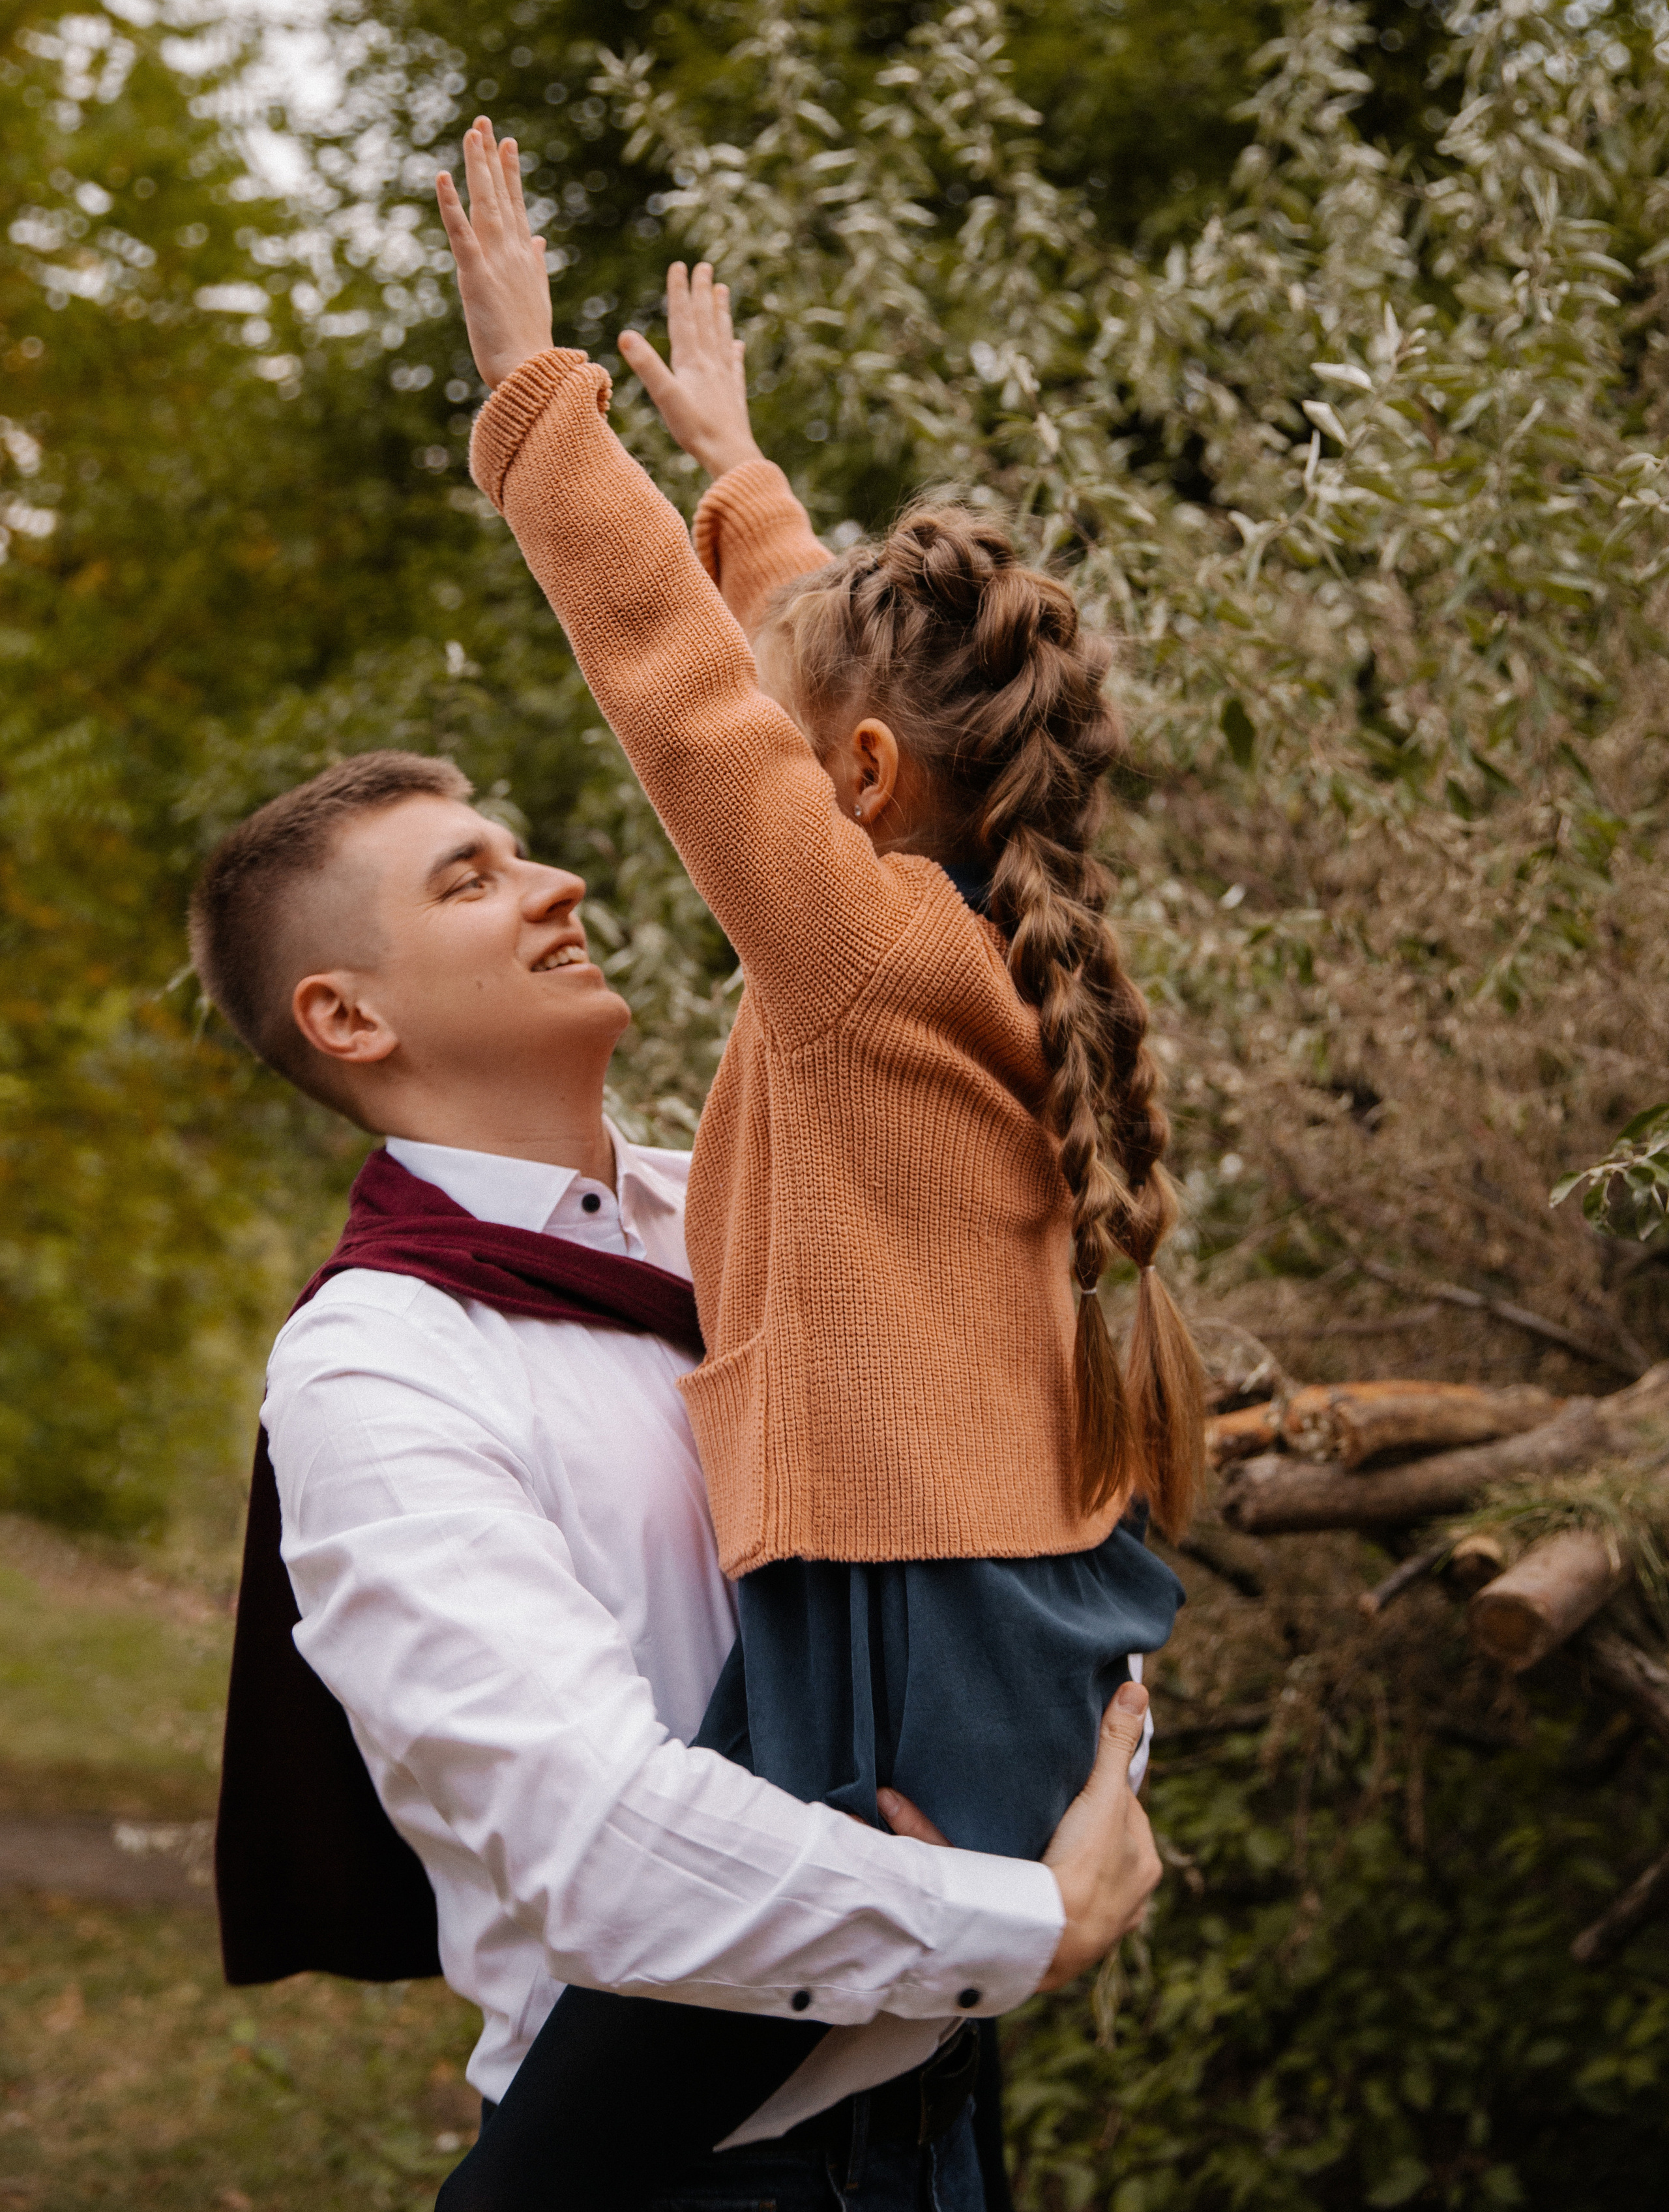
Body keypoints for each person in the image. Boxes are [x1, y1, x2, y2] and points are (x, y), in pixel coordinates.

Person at [429, 118, 1202, 2209]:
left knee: (567, 2154)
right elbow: (799, 675)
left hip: (905, 1622)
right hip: (999, 1602)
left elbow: (696, 702)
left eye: (810, 748)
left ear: (858, 780)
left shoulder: (860, 954)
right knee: (851, 2102)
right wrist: (746, 479)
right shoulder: (981, 936)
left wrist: (537, 402)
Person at [191, 749, 1165, 2212]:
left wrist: (1088, 1770)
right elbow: (596, 1843)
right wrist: (1015, 1917)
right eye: (470, 880)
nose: (558, 884)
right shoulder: (382, 1365)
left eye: (520, 850)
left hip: (947, 2135)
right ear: (348, 1014)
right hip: (694, 2175)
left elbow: (1020, 1507)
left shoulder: (756, 1210)